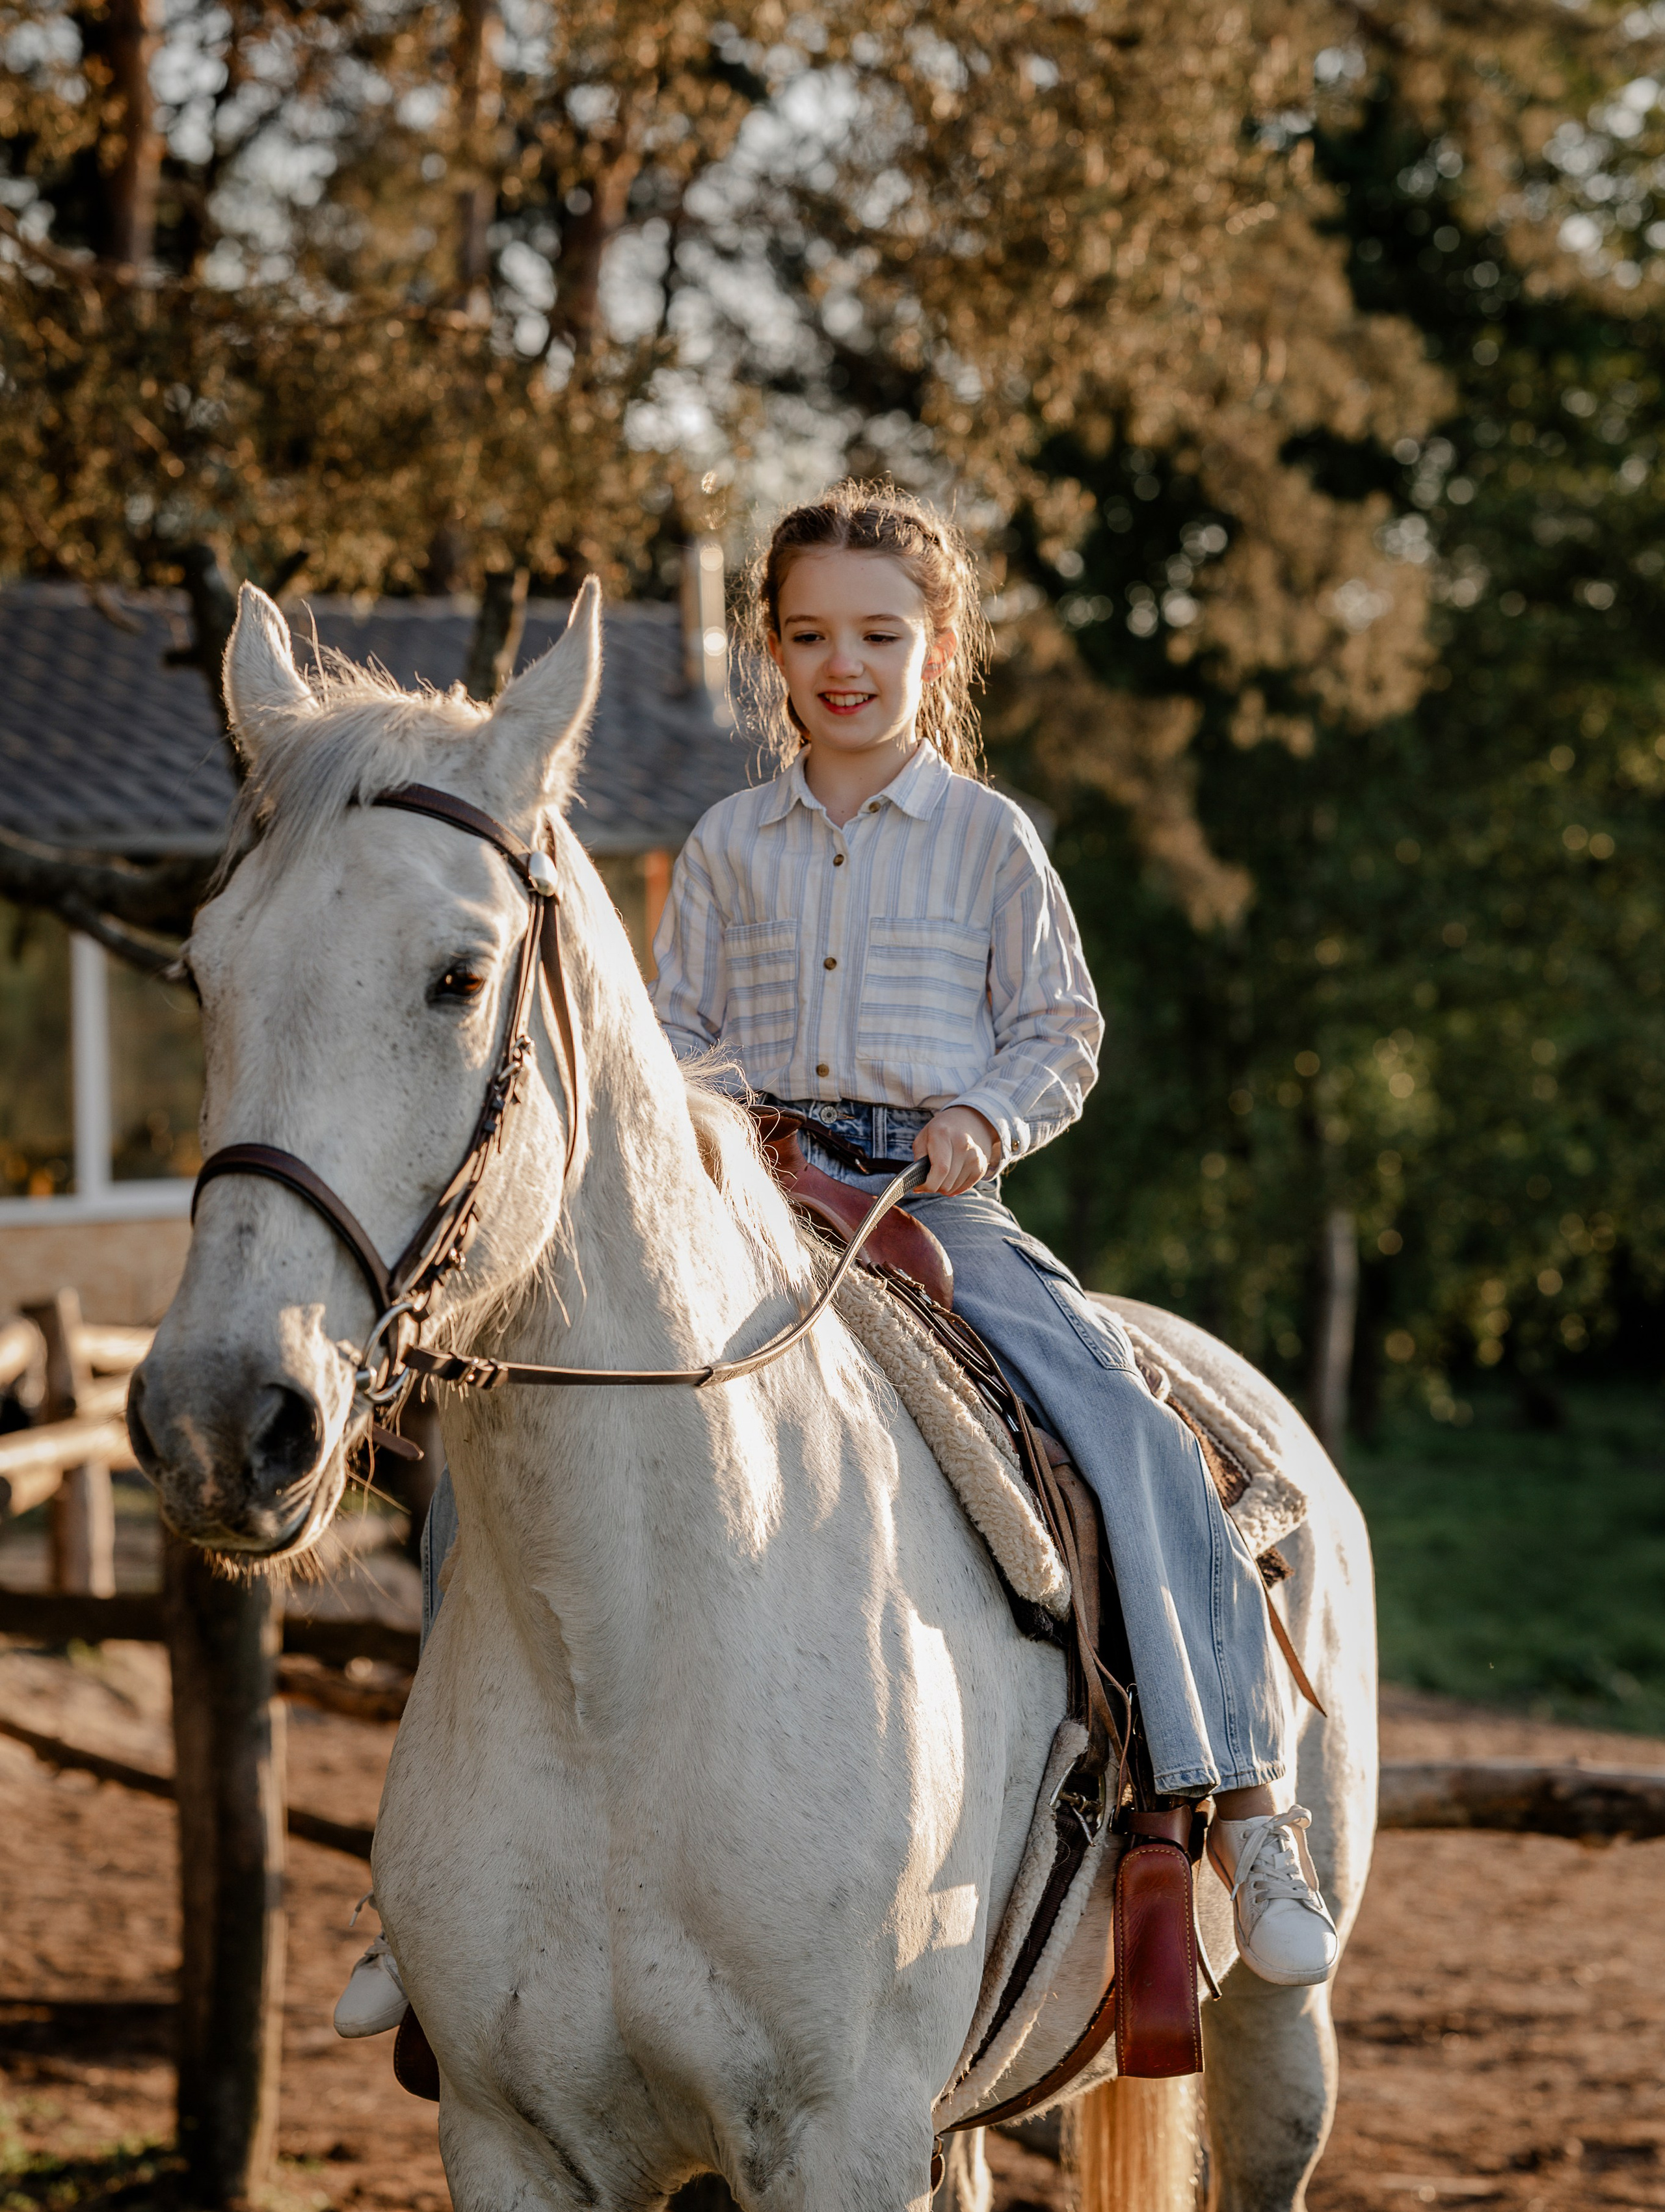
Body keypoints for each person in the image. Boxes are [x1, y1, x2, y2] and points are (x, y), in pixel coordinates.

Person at [332, 484, 1335, 2043]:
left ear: (937, 651)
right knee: (503, 1425)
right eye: (809, 635)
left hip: (937, 1199)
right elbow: (669, 1036)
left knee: (1128, 1429)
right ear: (772, 653)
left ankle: (1237, 1804)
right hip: (752, 1182)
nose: (841, 664)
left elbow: (1060, 1033)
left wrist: (976, 1121)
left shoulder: (992, 839)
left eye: (877, 632)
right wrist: (716, 1118)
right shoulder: (730, 840)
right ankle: (429, 1880)